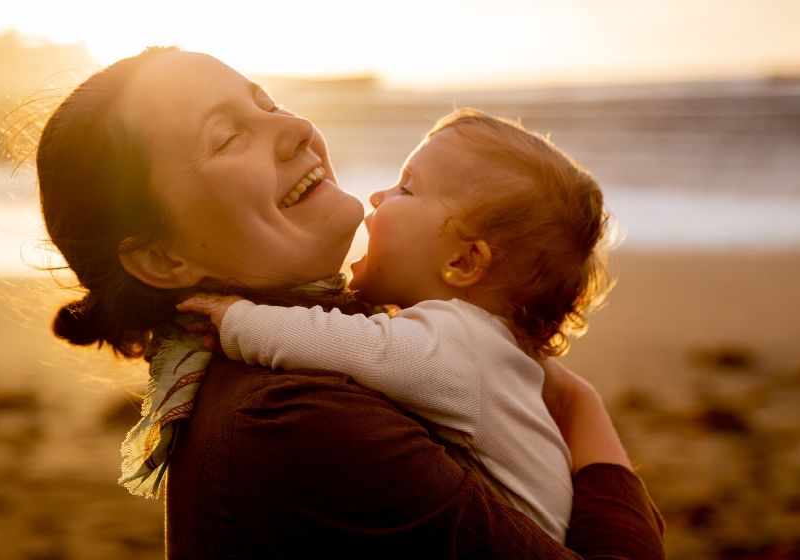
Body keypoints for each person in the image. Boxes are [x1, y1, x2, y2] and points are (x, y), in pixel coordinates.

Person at [36, 46, 665, 558]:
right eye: (228, 137)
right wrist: (582, 409)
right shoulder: (296, 419)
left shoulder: (339, 349)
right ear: (161, 259)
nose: (296, 128)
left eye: (269, 102)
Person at [176, 107, 613, 542]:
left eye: (406, 188)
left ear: (462, 261)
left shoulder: (459, 340)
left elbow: (351, 344)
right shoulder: (487, 350)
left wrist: (236, 319)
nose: (377, 197)